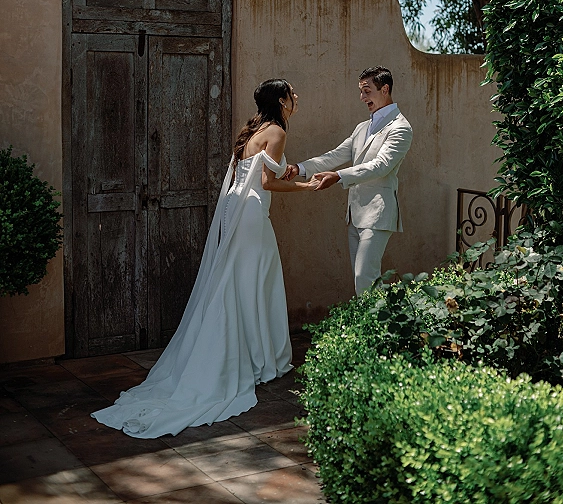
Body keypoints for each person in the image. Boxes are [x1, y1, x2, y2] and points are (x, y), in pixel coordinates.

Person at [92, 79, 319, 438]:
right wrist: (307, 186)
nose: (297, 96)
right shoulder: (276, 130)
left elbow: (261, 173)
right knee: (256, 277)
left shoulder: (255, 127)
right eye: (293, 92)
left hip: (234, 207)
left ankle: (251, 352)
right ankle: (260, 357)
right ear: (281, 100)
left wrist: (287, 171)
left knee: (238, 277)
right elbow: (268, 182)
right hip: (251, 212)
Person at [285, 67, 412, 296]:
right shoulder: (362, 127)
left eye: (367, 91)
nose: (362, 98)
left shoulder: (401, 128)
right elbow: (335, 155)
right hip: (355, 214)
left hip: (378, 214)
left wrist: (338, 176)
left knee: (366, 277)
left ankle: (382, 328)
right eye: (361, 91)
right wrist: (299, 168)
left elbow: (381, 165)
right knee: (361, 279)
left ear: (385, 89)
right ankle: (375, 327)